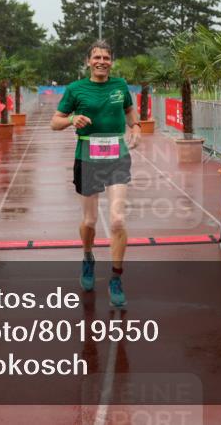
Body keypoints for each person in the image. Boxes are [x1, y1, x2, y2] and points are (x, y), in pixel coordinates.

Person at [50, 40, 141, 307]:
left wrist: (135, 129)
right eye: (96, 57)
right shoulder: (76, 89)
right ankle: (88, 256)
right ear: (88, 61)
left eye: (106, 57)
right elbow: (54, 122)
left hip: (117, 158)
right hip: (87, 158)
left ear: (111, 61)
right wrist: (70, 120)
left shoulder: (120, 86)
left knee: (117, 220)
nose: (102, 61)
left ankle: (116, 277)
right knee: (89, 221)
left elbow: (130, 114)